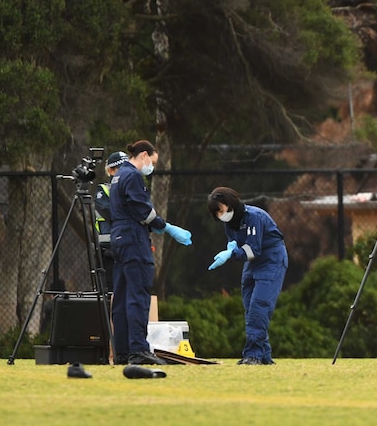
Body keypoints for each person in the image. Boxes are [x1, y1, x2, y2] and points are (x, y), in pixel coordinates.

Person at [110, 139, 193, 365]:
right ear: (144, 155)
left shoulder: (117, 177)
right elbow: (143, 211)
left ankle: (123, 352)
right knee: (138, 296)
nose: (151, 168)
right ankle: (138, 350)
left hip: (118, 238)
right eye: (153, 162)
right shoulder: (133, 175)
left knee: (122, 296)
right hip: (134, 239)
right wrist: (166, 227)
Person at [206, 186, 288, 365]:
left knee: (260, 306)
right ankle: (263, 355)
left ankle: (254, 354)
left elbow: (253, 250)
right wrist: (230, 249)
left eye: (220, 210)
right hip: (252, 263)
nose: (220, 216)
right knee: (250, 308)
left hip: (270, 258)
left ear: (229, 204)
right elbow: (234, 242)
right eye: (216, 213)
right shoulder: (230, 222)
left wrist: (232, 254)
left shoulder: (253, 217)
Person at [94, 151, 128, 292]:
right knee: (112, 291)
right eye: (120, 168)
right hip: (109, 249)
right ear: (110, 171)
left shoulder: (132, 189)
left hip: (130, 247)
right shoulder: (103, 191)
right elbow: (110, 212)